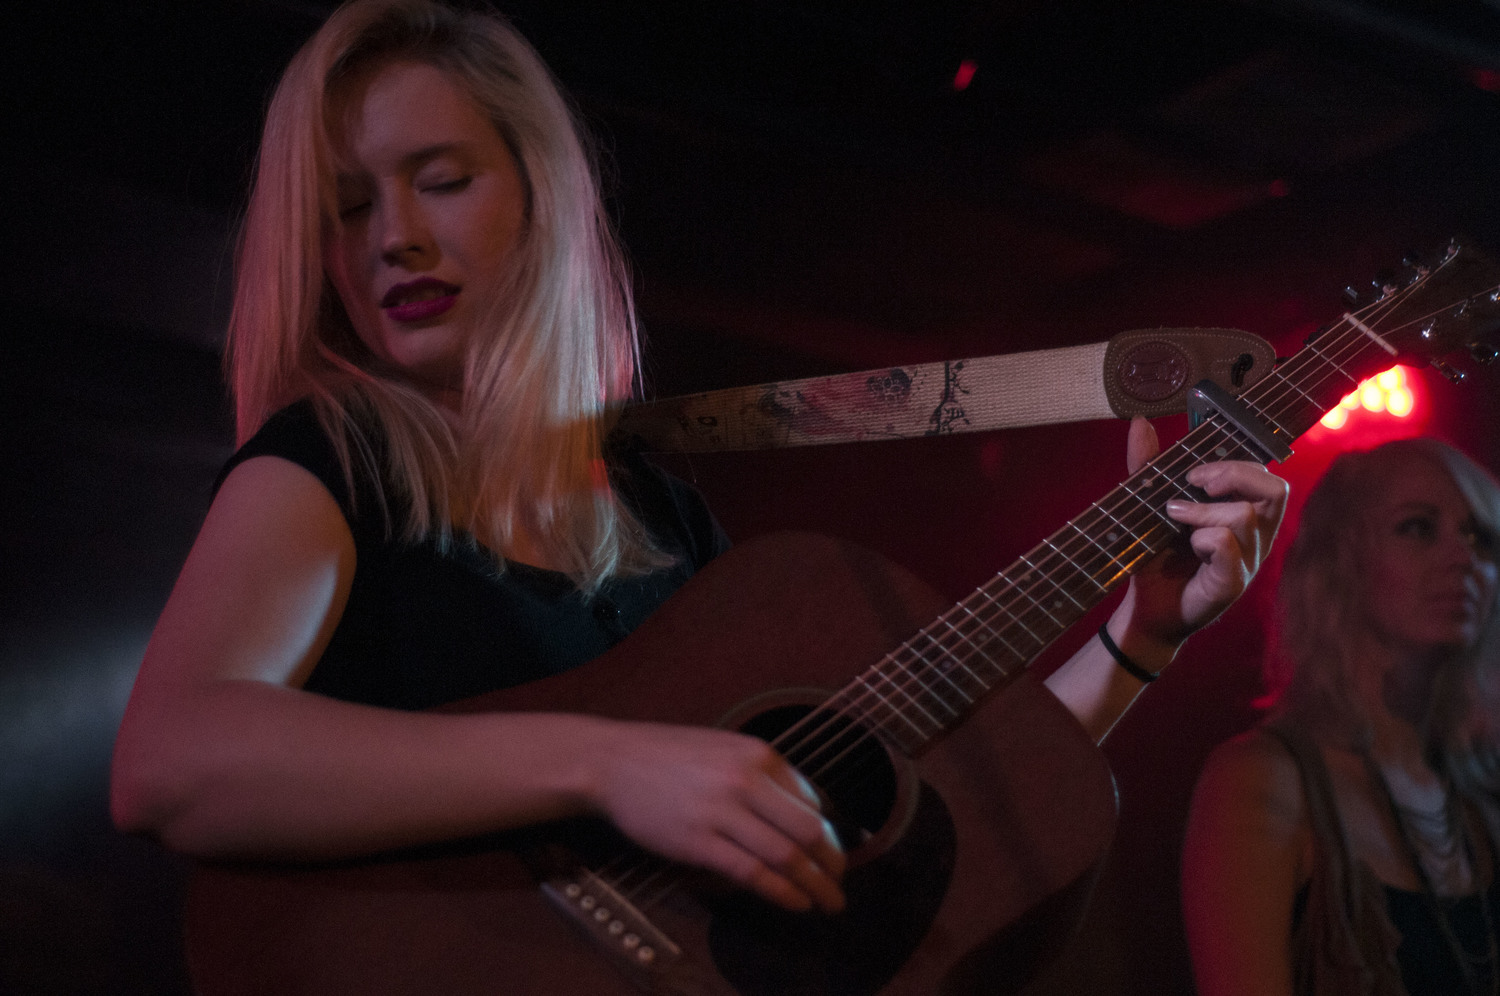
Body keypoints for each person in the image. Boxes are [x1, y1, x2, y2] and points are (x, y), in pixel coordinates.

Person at [110, 0, 1285, 929]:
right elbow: (168, 761)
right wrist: (608, 766)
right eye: (347, 204)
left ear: (542, 197)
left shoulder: (662, 519)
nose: (394, 237)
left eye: (443, 178)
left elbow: (920, 811)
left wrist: (1142, 638)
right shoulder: (332, 462)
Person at [1182, 438, 1500, 995]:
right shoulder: (1261, 781)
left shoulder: (1480, 783)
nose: (1463, 557)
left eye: (1479, 536)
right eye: (1419, 527)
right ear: (1339, 558)